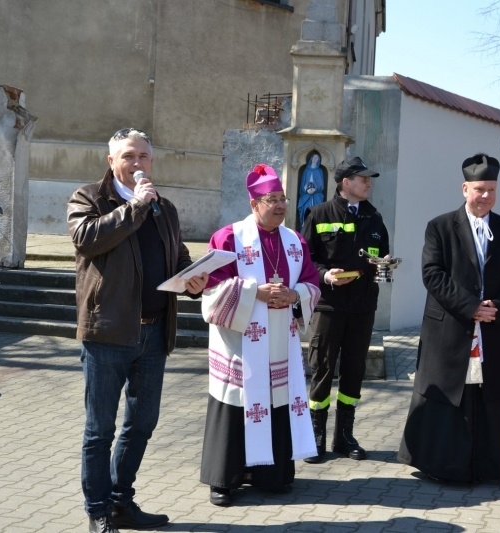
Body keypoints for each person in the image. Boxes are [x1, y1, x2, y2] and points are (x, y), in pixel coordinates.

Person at [67, 128, 209, 533]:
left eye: (144, 157)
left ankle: (120, 500)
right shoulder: (88, 199)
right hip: (108, 333)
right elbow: (87, 239)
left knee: (143, 423)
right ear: (111, 161)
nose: (138, 164)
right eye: (129, 156)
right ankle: (97, 511)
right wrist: (135, 208)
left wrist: (192, 280)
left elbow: (178, 257)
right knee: (100, 430)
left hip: (153, 333)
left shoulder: (165, 209)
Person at [398, 153, 500, 483]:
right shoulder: (440, 227)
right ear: (465, 188)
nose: (486, 196)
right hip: (451, 325)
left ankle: (487, 465)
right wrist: (471, 307)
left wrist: (497, 306)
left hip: (492, 326)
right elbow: (432, 274)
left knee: (487, 395)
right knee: (449, 393)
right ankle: (443, 466)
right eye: (480, 189)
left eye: (492, 190)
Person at [199, 164, 321, 507]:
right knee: (237, 403)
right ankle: (225, 480)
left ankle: (273, 474)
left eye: (283, 199)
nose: (281, 205)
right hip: (241, 342)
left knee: (276, 401)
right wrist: (255, 293)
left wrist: (295, 296)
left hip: (280, 340)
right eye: (272, 200)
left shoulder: (295, 241)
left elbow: (311, 281)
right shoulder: (228, 237)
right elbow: (211, 288)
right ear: (254, 204)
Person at [300, 156, 390, 464]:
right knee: (323, 367)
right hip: (330, 306)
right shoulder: (319, 213)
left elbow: (380, 255)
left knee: (354, 369)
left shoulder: (374, 217)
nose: (369, 183)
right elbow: (306, 259)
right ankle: (316, 435)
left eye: (369, 179)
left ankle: (344, 436)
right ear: (346, 182)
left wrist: (384, 266)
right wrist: (325, 275)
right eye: (363, 179)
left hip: (362, 307)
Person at [296, 152, 326, 230]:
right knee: (305, 211)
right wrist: (306, 189)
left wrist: (315, 189)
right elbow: (302, 183)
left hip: (317, 196)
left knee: (317, 212)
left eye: (317, 158)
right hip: (306, 196)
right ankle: (304, 229)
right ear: (311, 158)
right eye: (314, 157)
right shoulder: (306, 171)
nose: (315, 159)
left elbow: (321, 184)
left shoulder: (319, 171)